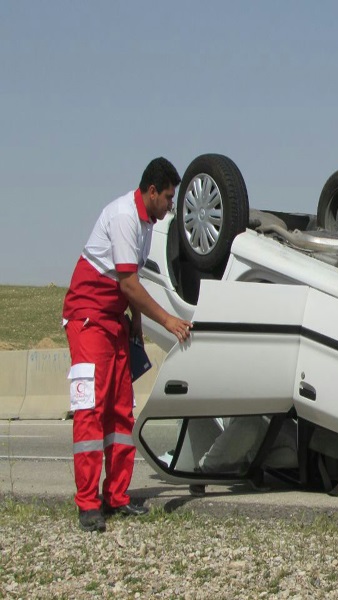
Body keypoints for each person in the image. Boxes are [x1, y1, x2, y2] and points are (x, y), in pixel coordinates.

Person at [63, 157, 194, 532]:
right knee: (90, 409)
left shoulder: (147, 223)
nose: (171, 205)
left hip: (115, 321)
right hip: (88, 318)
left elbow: (131, 279)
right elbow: (127, 283)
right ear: (151, 192)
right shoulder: (123, 216)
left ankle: (116, 497)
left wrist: (135, 322)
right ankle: (88, 504)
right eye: (168, 197)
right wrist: (166, 320)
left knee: (121, 411)